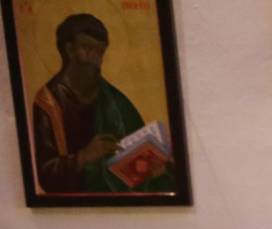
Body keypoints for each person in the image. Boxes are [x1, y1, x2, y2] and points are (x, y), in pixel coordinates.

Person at [32, 14, 174, 194]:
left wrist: (156, 168)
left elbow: (144, 149)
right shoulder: (48, 102)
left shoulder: (113, 99)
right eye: (87, 48)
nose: (94, 58)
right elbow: (43, 173)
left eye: (99, 51)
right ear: (69, 49)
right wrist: (83, 157)